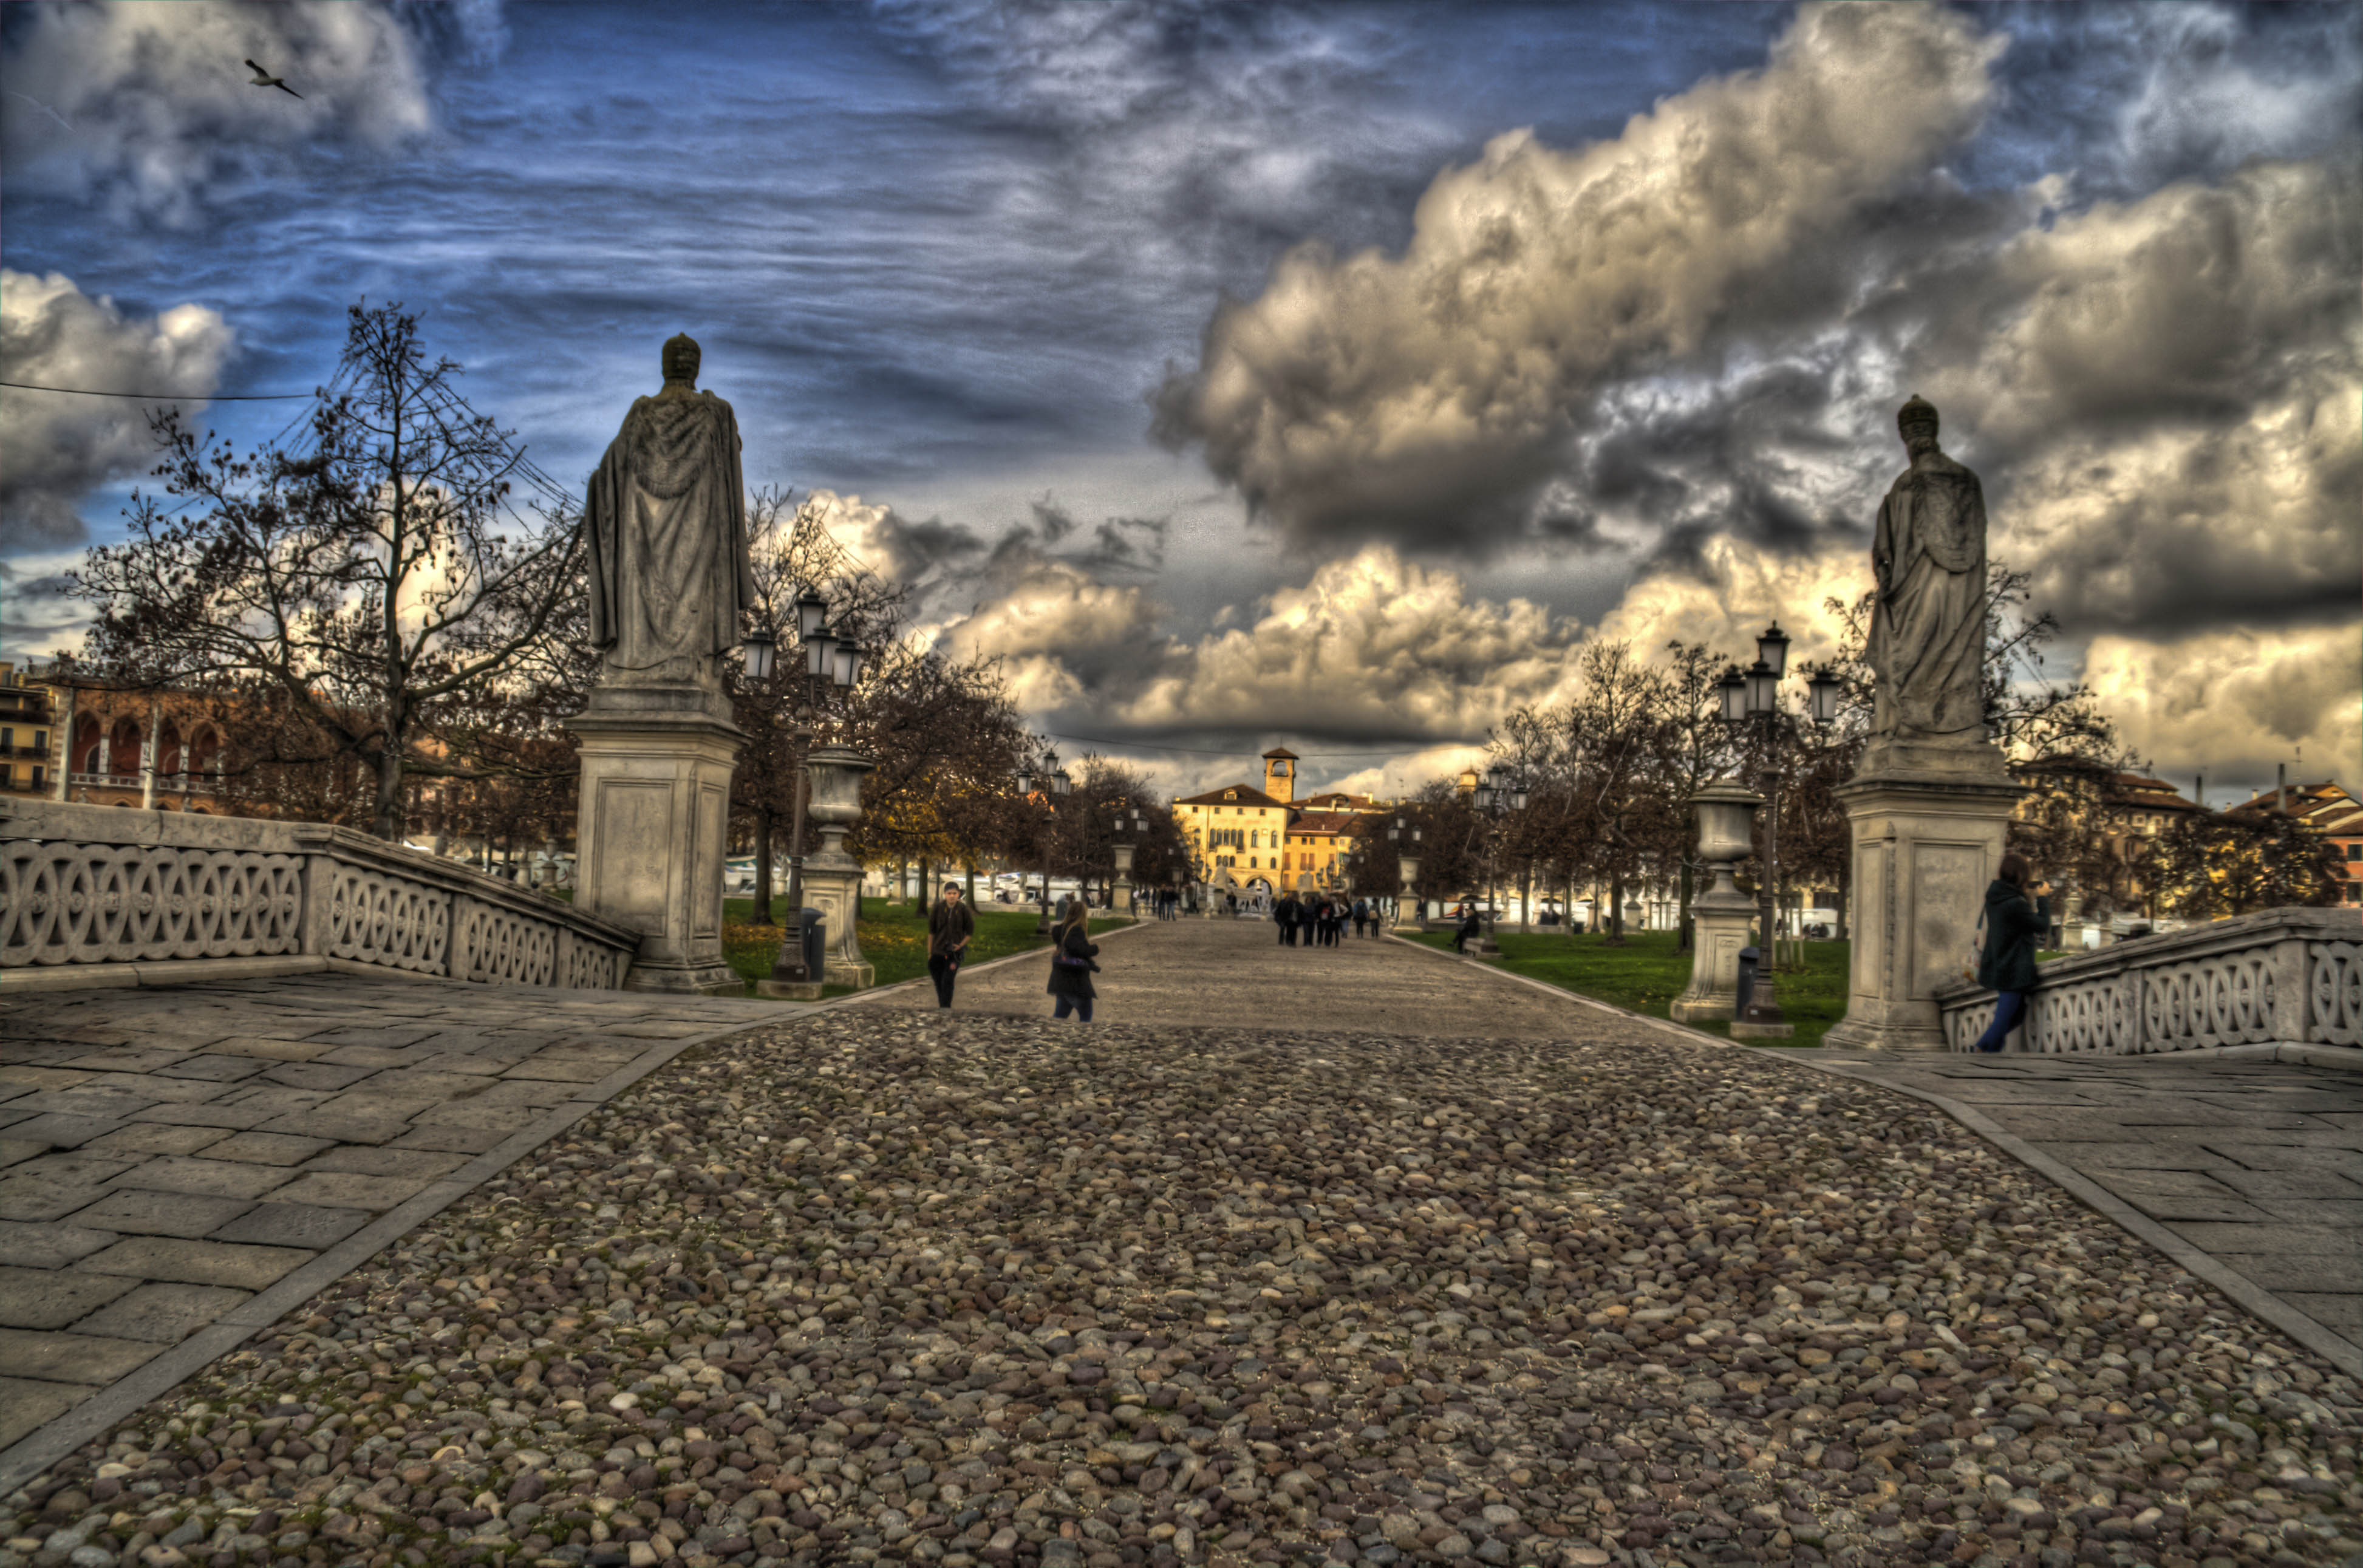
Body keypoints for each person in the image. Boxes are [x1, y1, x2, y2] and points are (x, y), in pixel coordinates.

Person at [1973, 851, 2052, 1054]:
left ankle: (1991, 1050)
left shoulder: (1996, 897)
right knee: (2005, 1016)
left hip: (2000, 961)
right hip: (2014, 966)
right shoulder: (2015, 903)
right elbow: (2041, 925)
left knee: (2016, 1015)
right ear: (2020, 875)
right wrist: (2042, 899)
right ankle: (1982, 1048)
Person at [1048, 903, 1100, 1022]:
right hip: (1075, 981)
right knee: (1086, 1015)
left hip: (1061, 978)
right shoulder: (1076, 930)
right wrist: (1095, 949)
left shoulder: (1061, 930)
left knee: (1060, 1015)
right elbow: (1078, 949)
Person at [926, 882, 974, 1010]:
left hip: (954, 953)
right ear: (945, 895)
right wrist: (930, 952)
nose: (952, 896)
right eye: (949, 893)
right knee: (938, 981)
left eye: (955, 893)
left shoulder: (963, 910)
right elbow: (931, 932)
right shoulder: (938, 908)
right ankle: (943, 1004)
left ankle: (945, 1007)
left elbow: (969, 932)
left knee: (948, 979)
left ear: (959, 894)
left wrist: (961, 945)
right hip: (938, 950)